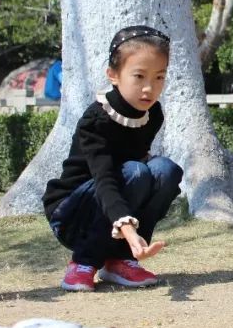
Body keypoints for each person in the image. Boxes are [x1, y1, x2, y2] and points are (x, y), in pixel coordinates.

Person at [43, 25, 183, 292]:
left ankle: (122, 261)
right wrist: (129, 230)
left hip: (118, 202)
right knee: (136, 172)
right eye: (139, 76)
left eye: (159, 77)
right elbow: (105, 178)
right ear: (113, 75)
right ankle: (83, 262)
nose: (149, 88)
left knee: (166, 170)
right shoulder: (97, 119)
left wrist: (133, 235)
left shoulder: (153, 114)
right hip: (73, 214)